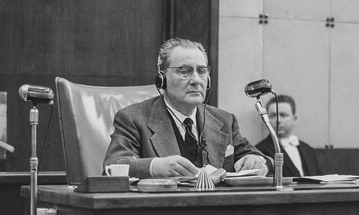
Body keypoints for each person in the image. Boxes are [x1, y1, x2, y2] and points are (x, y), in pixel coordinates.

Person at [103, 38, 270, 178]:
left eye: (202, 71)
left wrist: (257, 161)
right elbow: (113, 165)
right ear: (162, 79)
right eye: (185, 71)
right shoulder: (133, 118)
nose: (196, 80)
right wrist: (155, 167)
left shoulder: (224, 120)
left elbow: (259, 158)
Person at [255, 95, 322, 177]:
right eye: (273, 116)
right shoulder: (259, 151)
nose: (278, 120)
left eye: (283, 115)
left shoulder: (308, 149)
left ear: (294, 119)